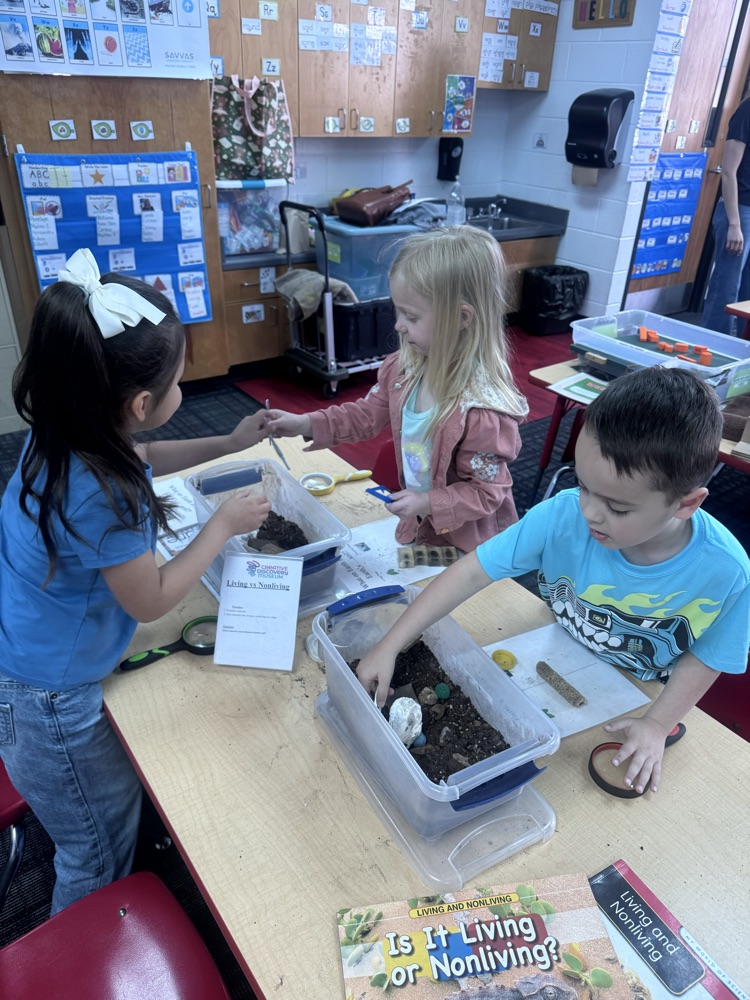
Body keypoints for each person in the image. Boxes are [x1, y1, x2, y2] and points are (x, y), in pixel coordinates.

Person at [0, 248, 271, 914]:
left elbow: (142, 454)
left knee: (106, 804)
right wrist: (222, 526)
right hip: (52, 706)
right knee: (94, 844)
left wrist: (227, 444)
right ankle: (83, 946)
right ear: (143, 401)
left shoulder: (70, 425)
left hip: (31, 670)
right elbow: (149, 600)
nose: (185, 393)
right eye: (180, 383)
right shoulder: (100, 494)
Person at [356, 367, 750, 795]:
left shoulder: (725, 571)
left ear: (686, 503)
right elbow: (470, 571)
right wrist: (391, 643)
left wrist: (657, 724)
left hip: (638, 691)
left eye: (617, 508)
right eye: (583, 485)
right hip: (556, 650)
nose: (590, 513)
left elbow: (709, 657)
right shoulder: (561, 515)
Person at [266, 226, 529, 552]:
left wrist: (426, 502)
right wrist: (305, 423)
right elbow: (363, 416)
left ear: (462, 318)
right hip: (421, 526)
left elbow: (486, 493)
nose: (397, 325)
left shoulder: (484, 412)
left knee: (448, 601)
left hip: (470, 545)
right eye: (398, 310)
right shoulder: (404, 368)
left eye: (411, 316)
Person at [702, 94, 750, 336]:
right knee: (726, 288)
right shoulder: (746, 111)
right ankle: (711, 354)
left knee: (747, 296)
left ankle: (743, 356)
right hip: (739, 211)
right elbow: (728, 172)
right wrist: (734, 224)